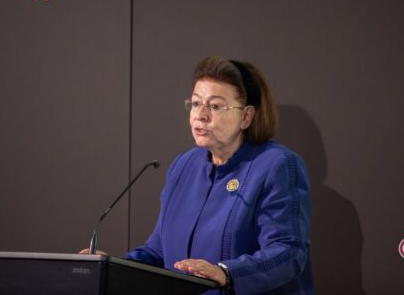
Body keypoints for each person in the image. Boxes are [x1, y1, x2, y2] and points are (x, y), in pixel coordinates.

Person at [125, 56, 314, 294]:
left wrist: (227, 273)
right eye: (196, 103)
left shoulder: (276, 165)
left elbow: (288, 252)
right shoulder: (184, 165)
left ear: (246, 117)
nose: (201, 115)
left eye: (215, 106)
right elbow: (158, 251)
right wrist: (111, 267)